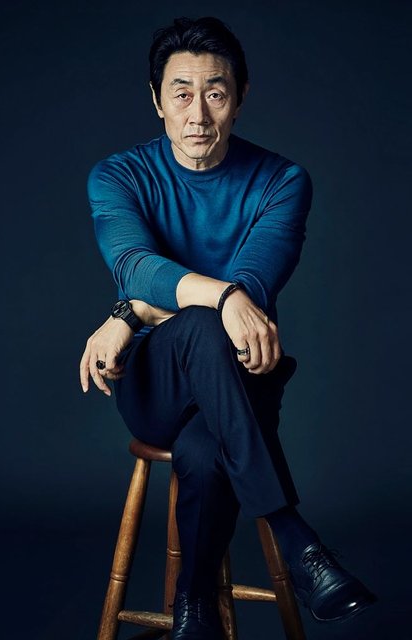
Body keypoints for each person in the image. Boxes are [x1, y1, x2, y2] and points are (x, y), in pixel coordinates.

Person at [80, 16, 376, 639]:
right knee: (205, 327)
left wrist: (134, 311)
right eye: (181, 93)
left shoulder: (282, 181)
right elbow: (135, 266)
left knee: (205, 449)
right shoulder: (119, 176)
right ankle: (297, 540)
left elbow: (254, 287)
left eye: (215, 93)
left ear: (240, 99)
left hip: (243, 375)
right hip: (155, 387)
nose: (198, 115)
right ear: (157, 100)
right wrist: (214, 296)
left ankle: (194, 612)